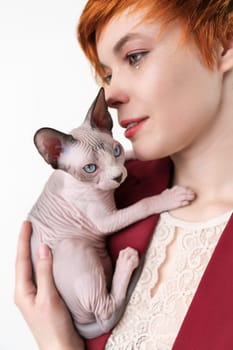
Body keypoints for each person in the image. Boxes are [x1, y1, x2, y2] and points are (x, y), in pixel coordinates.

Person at [14, 0, 233, 349]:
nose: (111, 95)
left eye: (134, 56)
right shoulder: (110, 192)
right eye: (107, 75)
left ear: (224, 43)